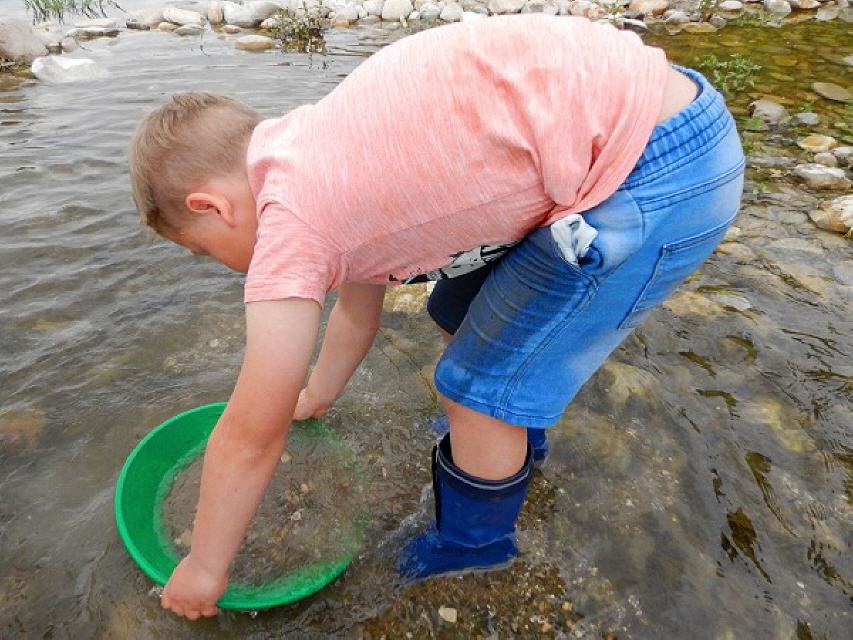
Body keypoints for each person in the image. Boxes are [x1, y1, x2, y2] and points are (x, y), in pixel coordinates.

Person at [128, 14, 744, 620]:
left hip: (650, 175)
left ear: (210, 207)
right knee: (454, 305)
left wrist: (205, 567)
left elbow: (251, 436)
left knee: (475, 390)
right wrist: (316, 393)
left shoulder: (290, 225)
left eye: (204, 250)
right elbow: (356, 315)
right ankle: (512, 447)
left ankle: (474, 546)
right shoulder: (317, 153)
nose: (226, 266)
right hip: (657, 108)